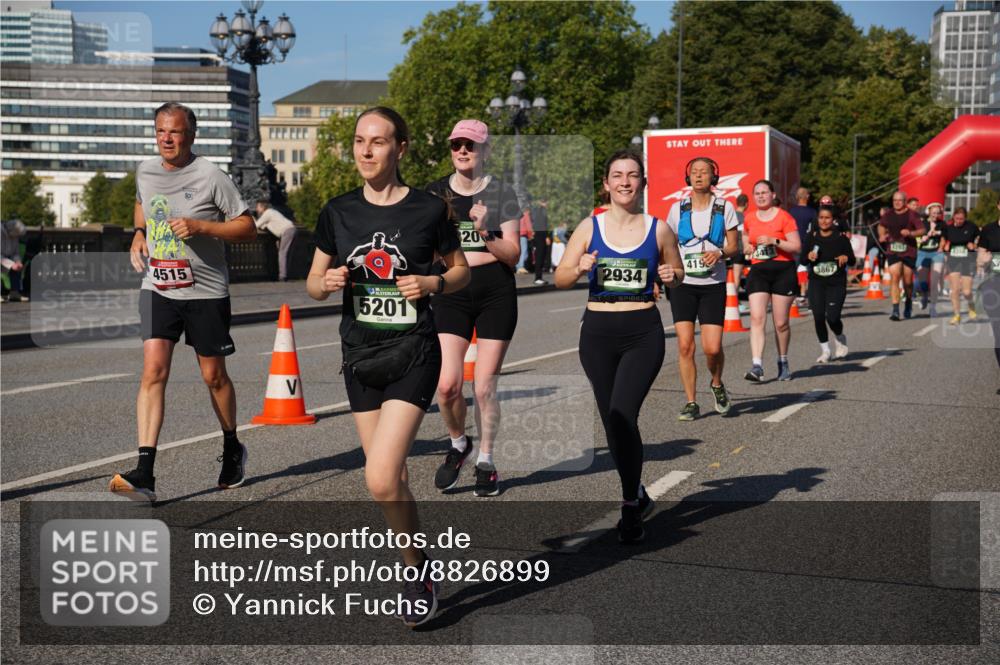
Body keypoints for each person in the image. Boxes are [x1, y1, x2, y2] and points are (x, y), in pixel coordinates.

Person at [307, 106, 469, 627]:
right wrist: (327, 282)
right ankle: (418, 566)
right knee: (392, 477)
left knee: (378, 478)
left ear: (400, 149)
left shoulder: (429, 209)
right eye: (359, 141)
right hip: (360, 356)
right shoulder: (337, 211)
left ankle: (417, 572)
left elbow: (461, 272)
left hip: (413, 351)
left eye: (377, 142)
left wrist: (431, 283)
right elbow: (312, 283)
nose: (366, 150)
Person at [109, 102, 256, 501]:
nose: (166, 139)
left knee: (213, 376)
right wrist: (139, 233)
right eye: (160, 131)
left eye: (174, 132)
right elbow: (142, 200)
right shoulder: (146, 170)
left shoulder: (211, 176)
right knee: (153, 370)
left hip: (205, 292)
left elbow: (248, 227)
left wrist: (201, 226)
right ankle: (145, 472)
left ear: (191, 135)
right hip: (158, 286)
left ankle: (232, 445)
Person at [555, 148, 684, 544]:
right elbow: (560, 277)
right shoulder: (589, 227)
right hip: (597, 333)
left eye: (632, 175)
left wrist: (672, 274)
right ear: (606, 184)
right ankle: (638, 492)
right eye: (618, 175)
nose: (625, 182)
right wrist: (578, 268)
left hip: (642, 332)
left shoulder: (658, 229)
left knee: (623, 413)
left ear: (643, 182)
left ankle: (629, 504)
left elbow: (678, 271)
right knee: (613, 421)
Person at [426, 119, 520, 497]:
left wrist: (484, 232)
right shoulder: (435, 194)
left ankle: (486, 461)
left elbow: (513, 254)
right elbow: (426, 249)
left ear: (485, 150)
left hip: (495, 290)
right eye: (456, 145)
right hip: (452, 289)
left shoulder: (502, 192)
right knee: (447, 385)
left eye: (471, 145)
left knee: (483, 387)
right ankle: (458, 443)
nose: (463, 151)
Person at [664, 157, 740, 420]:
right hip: (683, 284)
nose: (698, 176)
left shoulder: (724, 207)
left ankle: (717, 383)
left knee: (712, 348)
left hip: (713, 285)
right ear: (688, 178)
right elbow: (668, 244)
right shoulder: (677, 209)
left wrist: (719, 253)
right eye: (694, 172)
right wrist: (663, 272)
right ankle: (691, 402)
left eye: (704, 172)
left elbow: (734, 246)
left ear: (713, 177)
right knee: (685, 346)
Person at [742, 179, 801, 382]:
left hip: (783, 271)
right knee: (757, 318)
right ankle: (757, 365)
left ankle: (783, 360)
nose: (760, 196)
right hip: (759, 271)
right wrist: (747, 247)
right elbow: (746, 238)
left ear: (773, 195)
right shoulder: (750, 218)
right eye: (757, 193)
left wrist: (774, 241)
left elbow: (797, 246)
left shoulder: (784, 217)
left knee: (781, 323)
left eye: (764, 192)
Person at [801, 205, 854, 363]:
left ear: (833, 220)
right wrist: (808, 256)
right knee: (818, 316)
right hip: (816, 282)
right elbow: (802, 260)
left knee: (832, 318)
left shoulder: (841, 238)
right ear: (817, 219)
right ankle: (825, 351)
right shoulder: (811, 237)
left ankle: (839, 336)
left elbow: (852, 260)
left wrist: (845, 257)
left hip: (836, 283)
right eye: (821, 218)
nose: (824, 221)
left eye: (827, 218)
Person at [877, 190, 924, 320]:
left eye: (899, 200)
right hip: (893, 249)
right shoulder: (888, 214)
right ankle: (895, 310)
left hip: (909, 250)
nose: (897, 203)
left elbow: (922, 230)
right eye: (894, 200)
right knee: (895, 276)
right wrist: (882, 235)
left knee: (908, 282)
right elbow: (881, 226)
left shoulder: (912, 214)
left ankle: (908, 302)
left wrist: (910, 233)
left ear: (905, 202)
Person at [941, 206, 979, 325]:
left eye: (961, 219)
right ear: (953, 217)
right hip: (953, 260)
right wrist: (944, 247)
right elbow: (943, 239)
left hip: (968, 260)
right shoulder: (948, 228)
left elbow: (981, 240)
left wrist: (974, 245)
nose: (958, 221)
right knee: (955, 290)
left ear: (965, 218)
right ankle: (956, 315)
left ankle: (971, 305)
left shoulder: (971, 227)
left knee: (967, 292)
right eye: (956, 218)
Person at [975, 198, 1000, 371]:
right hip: (994, 281)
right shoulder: (989, 230)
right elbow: (980, 257)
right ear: (998, 206)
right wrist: (984, 260)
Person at [254, 200, 297, 281]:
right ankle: (287, 274)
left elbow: (256, 225)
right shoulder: (272, 212)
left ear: (263, 207)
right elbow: (265, 225)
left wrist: (252, 220)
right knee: (287, 253)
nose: (256, 209)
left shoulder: (268, 213)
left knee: (282, 253)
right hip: (291, 229)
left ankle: (282, 276)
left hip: (286, 231)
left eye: (258, 207)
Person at [788, 187, 817, 308]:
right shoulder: (812, 212)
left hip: (793, 245)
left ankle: (792, 298)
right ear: (807, 197)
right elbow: (815, 231)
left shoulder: (791, 212)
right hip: (807, 245)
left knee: (792, 272)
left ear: (797, 197)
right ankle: (808, 298)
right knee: (809, 272)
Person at [916, 202, 946, 316]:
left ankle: (933, 307)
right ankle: (924, 296)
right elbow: (917, 238)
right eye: (933, 213)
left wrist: (941, 247)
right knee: (922, 282)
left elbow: (944, 238)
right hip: (922, 253)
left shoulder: (942, 224)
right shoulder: (922, 223)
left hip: (936, 254)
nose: (936, 215)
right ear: (928, 212)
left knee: (934, 282)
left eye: (938, 213)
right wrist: (924, 237)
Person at [1, 217, 28, 303]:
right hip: (2, 259)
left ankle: (14, 293)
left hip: (6, 259)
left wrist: (18, 261)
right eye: (17, 235)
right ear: (12, 231)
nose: (17, 237)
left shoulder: (14, 235)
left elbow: (15, 253)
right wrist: (11, 264)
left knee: (17, 268)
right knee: (13, 267)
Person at [733, 193, 750, 313]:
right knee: (736, 277)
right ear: (746, 204)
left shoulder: (731, 215)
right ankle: (734, 302)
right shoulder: (744, 218)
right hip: (739, 251)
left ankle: (731, 300)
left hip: (729, 249)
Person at [532, 199, 551, 285]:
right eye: (545, 201)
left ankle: (539, 277)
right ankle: (538, 278)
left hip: (538, 235)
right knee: (540, 256)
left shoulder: (538, 211)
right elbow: (543, 225)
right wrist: (546, 236)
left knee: (540, 256)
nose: (547, 203)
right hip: (541, 236)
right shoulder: (542, 211)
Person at [515, 205, 533, 274]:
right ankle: (521, 267)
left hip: (516, 235)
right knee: (524, 252)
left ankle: (518, 267)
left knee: (518, 251)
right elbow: (528, 225)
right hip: (523, 235)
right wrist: (530, 235)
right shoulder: (526, 215)